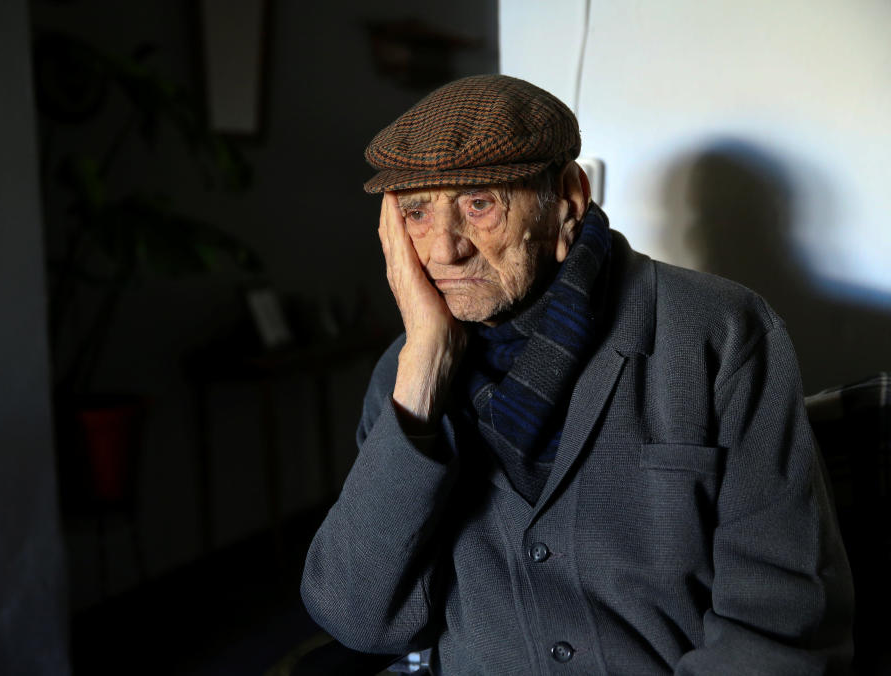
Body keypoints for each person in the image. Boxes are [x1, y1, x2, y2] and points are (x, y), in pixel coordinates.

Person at [300, 74, 854, 674]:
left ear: (568, 198)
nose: (442, 250)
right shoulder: (404, 375)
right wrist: (422, 381)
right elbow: (357, 617)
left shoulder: (720, 334)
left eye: (478, 203)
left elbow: (778, 626)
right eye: (416, 213)